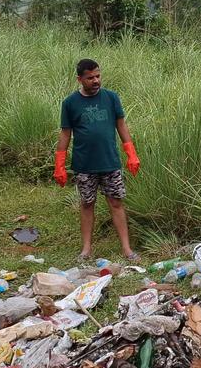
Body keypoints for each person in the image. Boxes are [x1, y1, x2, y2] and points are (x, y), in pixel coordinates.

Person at [54, 59, 142, 261]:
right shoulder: (70, 103)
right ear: (80, 79)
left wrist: (131, 152)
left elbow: (121, 125)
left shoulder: (111, 98)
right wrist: (60, 164)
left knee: (116, 202)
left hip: (110, 161)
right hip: (84, 164)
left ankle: (127, 249)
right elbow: (65, 134)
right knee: (87, 203)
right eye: (90, 77)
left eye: (98, 76)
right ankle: (86, 250)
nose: (95, 81)